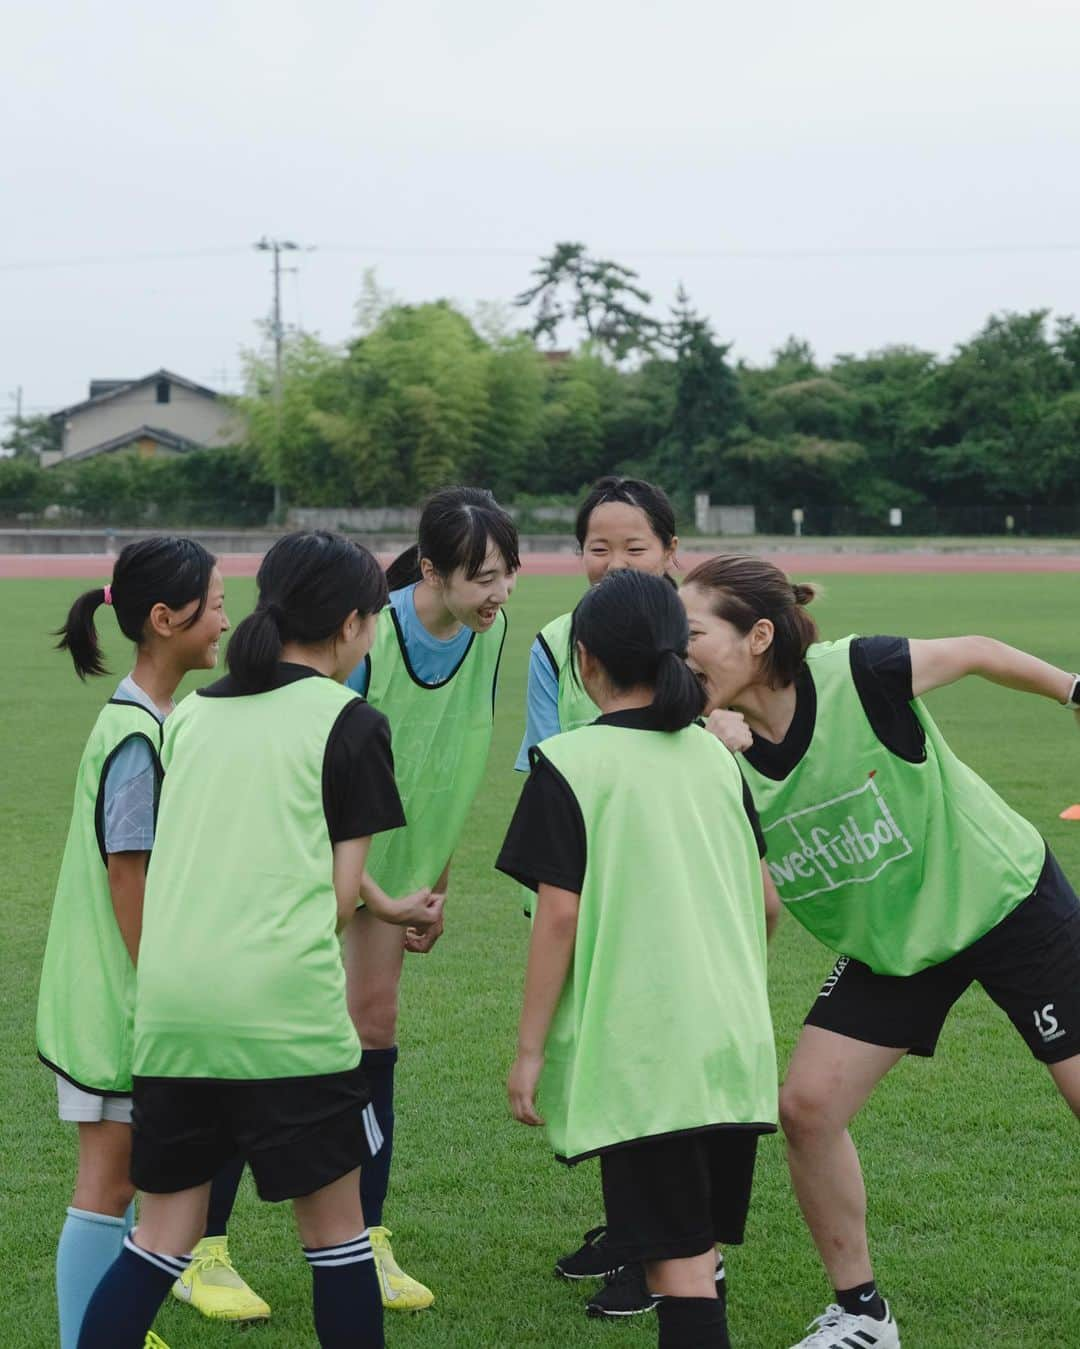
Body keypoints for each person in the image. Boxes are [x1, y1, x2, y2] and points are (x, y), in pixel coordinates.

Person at [680, 553, 1080, 1349]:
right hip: (894, 944)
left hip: (1001, 899)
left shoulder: (856, 671)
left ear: (758, 635)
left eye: (689, 633)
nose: (675, 652)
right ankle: (862, 1316)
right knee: (807, 1106)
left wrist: (1075, 689)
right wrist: (715, 755)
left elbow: (972, 649)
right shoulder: (705, 749)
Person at [73, 531, 443, 1349]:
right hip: (284, 1015)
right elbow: (339, 897)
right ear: (351, 624)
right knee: (338, 1239)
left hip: (174, 1016)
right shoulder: (352, 721)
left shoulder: (193, 712)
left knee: (160, 1239)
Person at [498, 568, 777, 1349]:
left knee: (680, 1267)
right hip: (730, 1047)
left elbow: (558, 917)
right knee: (691, 1253)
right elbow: (767, 905)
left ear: (584, 662)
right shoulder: (716, 758)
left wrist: (527, 1053)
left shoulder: (569, 764)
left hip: (650, 1058)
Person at [36, 537, 266, 1348]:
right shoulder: (138, 734)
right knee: (106, 1180)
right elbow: (127, 877)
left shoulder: (158, 719)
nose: (227, 619)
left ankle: (107, 1326)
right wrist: (166, 982)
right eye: (216, 601)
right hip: (114, 997)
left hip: (119, 991)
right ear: (166, 620)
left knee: (128, 1172)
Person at [332, 486, 519, 1310]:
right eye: (483, 577)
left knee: (374, 1030)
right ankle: (200, 1246)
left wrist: (434, 882)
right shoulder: (371, 633)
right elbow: (320, 775)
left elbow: (456, 752)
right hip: (327, 858)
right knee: (263, 1040)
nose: (499, 593)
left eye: (509, 574)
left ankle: (366, 1236)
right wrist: (370, 887)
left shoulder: (493, 631)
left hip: (400, 865)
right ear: (432, 570)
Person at [515, 475, 680, 773]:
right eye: (600, 550)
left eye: (635, 550)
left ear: (670, 551)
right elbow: (545, 769)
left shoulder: (704, 634)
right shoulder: (553, 644)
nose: (615, 564)